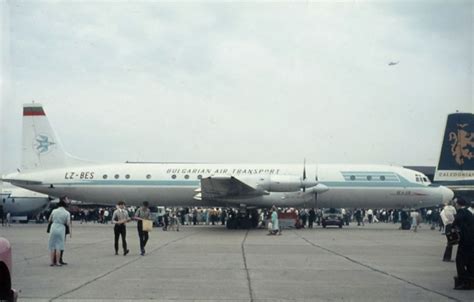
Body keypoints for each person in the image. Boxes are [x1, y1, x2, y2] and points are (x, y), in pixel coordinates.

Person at [452, 197, 474, 290]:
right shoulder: (469, 212)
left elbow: (455, 222)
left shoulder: (462, 212)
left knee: (460, 261)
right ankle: (471, 280)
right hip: (472, 241)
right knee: (470, 261)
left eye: (455, 203)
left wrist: (453, 227)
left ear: (458, 204)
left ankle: (463, 281)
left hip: (465, 241)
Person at [48, 197, 71, 266]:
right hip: (61, 228)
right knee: (59, 246)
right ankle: (58, 262)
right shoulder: (67, 213)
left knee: (52, 246)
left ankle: (52, 262)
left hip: (53, 227)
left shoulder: (54, 211)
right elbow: (67, 223)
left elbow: (49, 220)